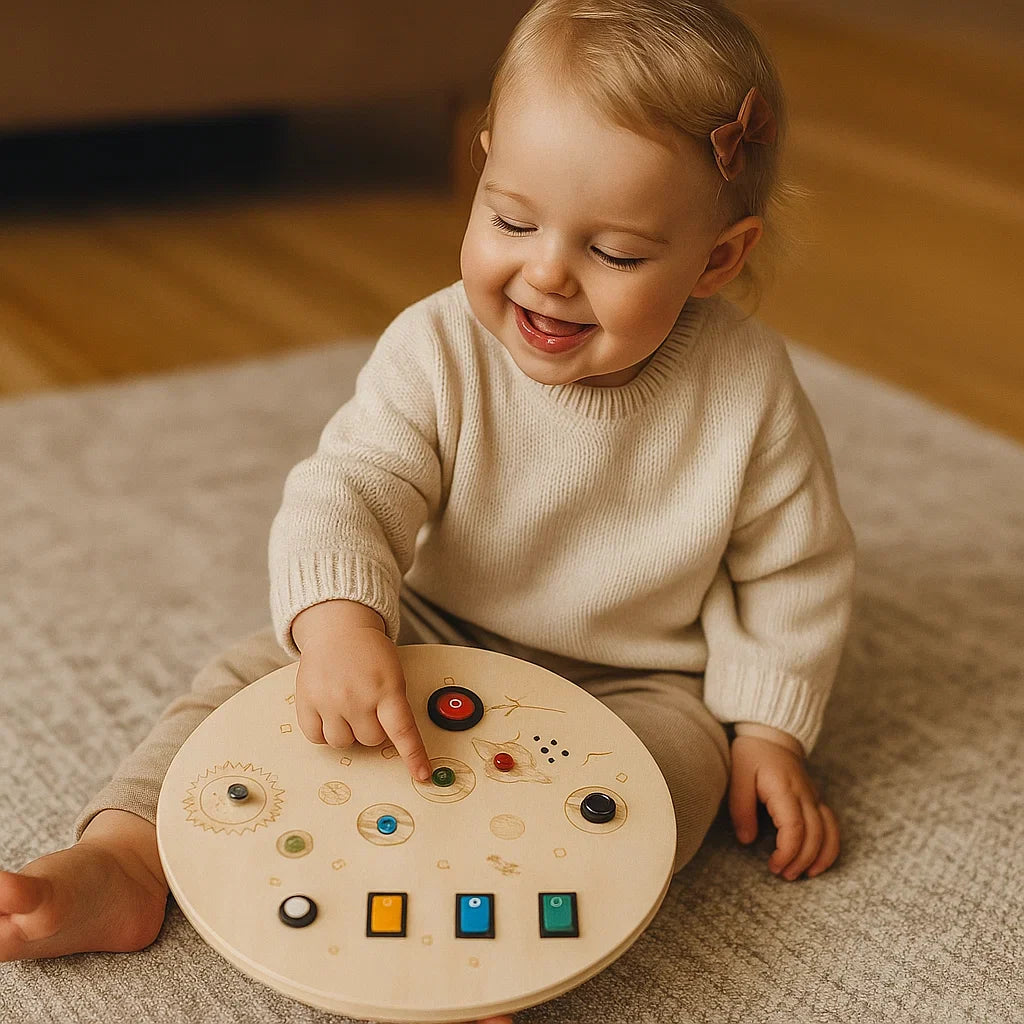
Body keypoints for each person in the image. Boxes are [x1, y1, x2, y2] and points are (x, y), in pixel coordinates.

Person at [0, 2, 856, 1022]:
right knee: (244, 681)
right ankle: (129, 857)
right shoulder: (438, 348)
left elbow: (792, 565)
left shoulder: (747, 389)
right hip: (432, 627)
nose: (546, 271)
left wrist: (766, 727)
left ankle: (496, 954)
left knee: (663, 782)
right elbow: (348, 488)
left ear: (718, 258)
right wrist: (340, 624)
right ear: (481, 165)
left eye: (618, 253)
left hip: (636, 674)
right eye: (510, 218)